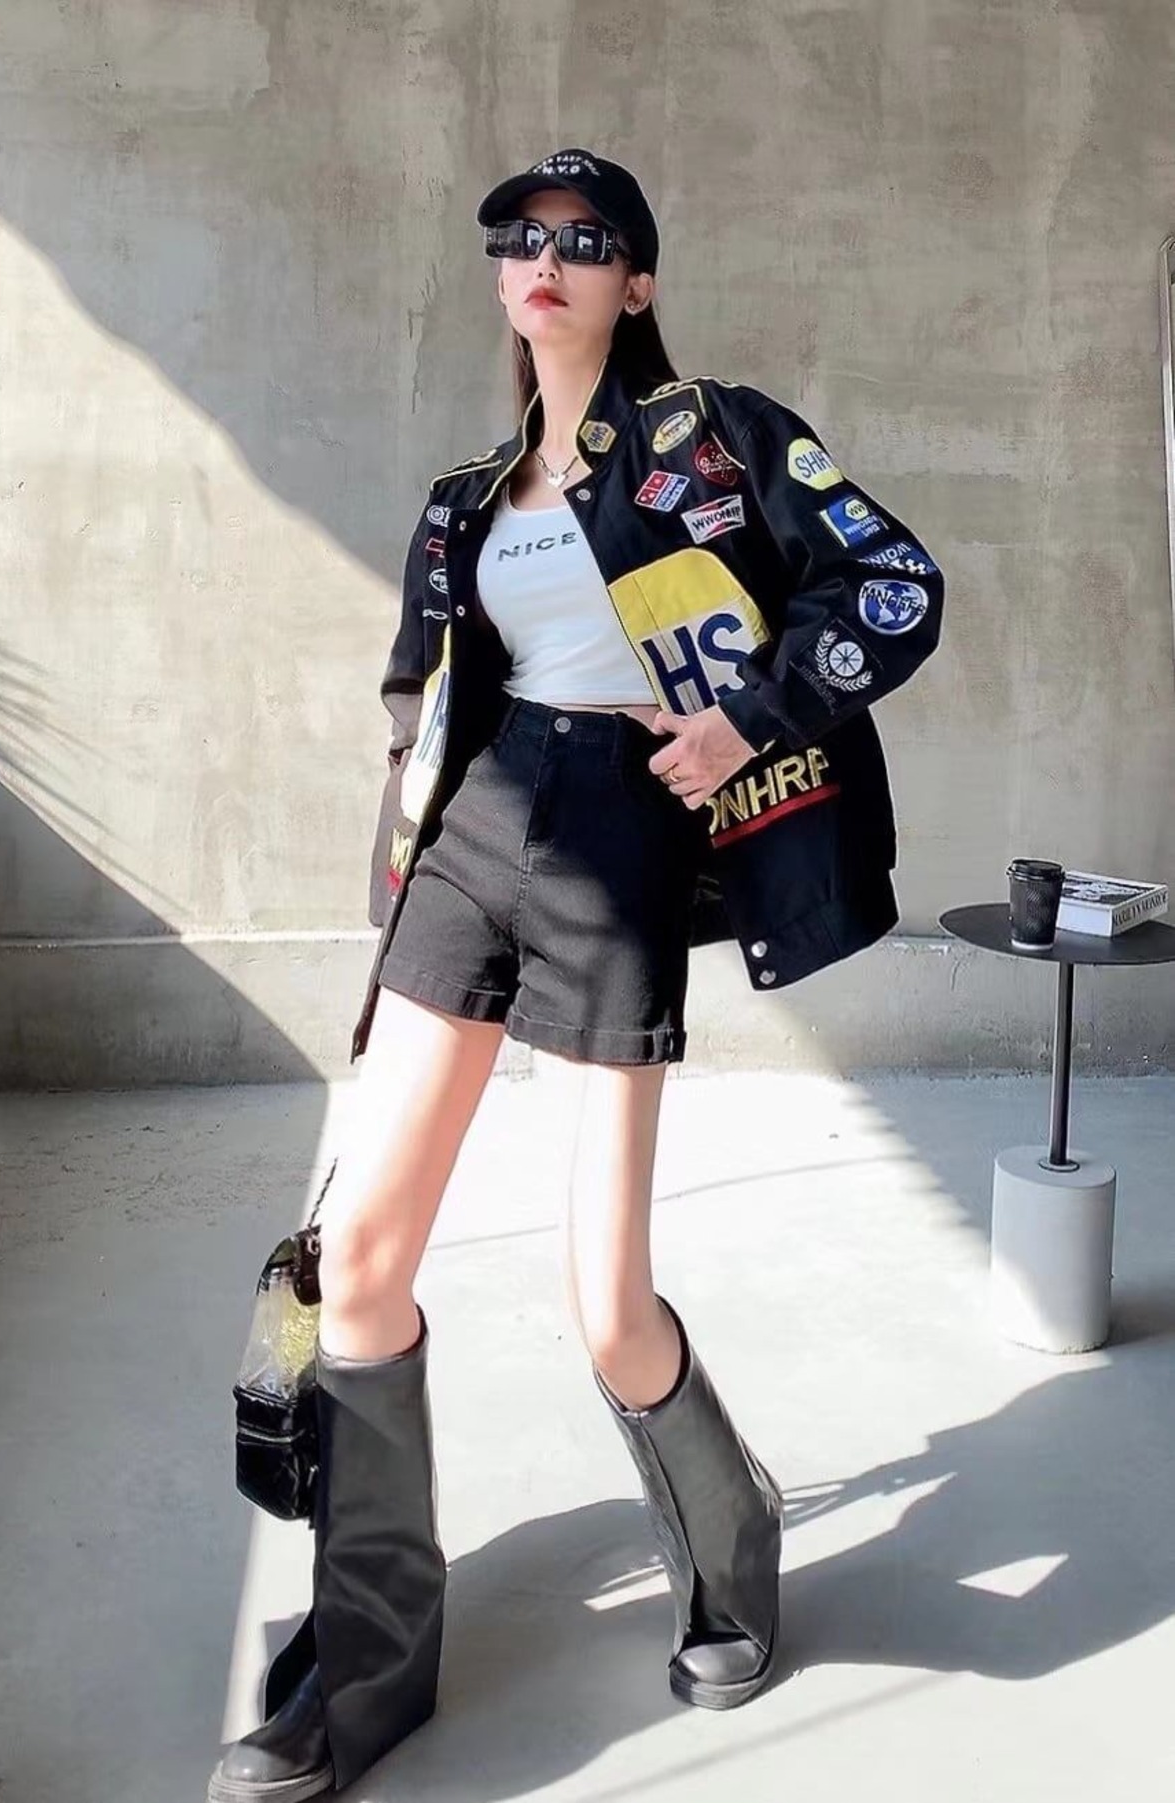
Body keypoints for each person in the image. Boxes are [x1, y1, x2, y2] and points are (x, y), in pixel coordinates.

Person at [208, 148, 944, 1801]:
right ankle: (367, 1661)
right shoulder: (465, 499)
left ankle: (731, 1538)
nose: (546, 259)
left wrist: (747, 720)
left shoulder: (719, 440)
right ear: (498, 275)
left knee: (606, 1301)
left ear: (637, 281)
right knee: (362, 1261)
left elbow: (896, 586)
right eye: (519, 238)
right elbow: (417, 698)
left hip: (621, 834)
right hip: (472, 838)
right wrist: (405, 869)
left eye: (586, 239)